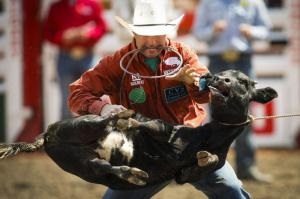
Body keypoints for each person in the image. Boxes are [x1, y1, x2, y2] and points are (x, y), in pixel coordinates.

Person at [68, 0, 251, 198]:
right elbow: (77, 92)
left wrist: (195, 82)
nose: (152, 42)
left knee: (231, 190)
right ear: (134, 34)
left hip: (192, 144)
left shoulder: (183, 54)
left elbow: (208, 94)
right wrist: (102, 108)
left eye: (158, 35)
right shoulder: (117, 63)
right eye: (146, 36)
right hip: (145, 151)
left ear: (167, 33)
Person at [193, 0, 272, 182]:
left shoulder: (254, 2)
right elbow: (198, 32)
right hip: (217, 61)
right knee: (216, 115)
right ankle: (211, 167)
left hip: (243, 62)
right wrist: (212, 30)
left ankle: (246, 166)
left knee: (245, 116)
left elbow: (266, 30)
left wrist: (252, 32)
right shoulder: (207, 3)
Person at [43, 0, 107, 119]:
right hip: (65, 56)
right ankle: (64, 133)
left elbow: (102, 27)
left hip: (88, 55)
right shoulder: (56, 8)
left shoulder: (92, 5)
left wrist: (89, 35)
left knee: (93, 93)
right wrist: (63, 37)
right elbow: (48, 32)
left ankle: (96, 129)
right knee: (66, 97)